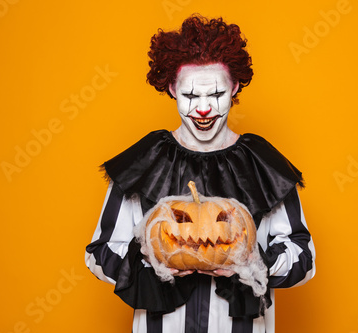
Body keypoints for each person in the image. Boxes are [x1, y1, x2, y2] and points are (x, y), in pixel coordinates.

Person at [85, 14, 316, 333]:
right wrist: (151, 259)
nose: (204, 108)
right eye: (191, 96)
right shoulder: (144, 161)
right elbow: (100, 251)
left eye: (217, 94)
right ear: (171, 88)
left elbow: (304, 258)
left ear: (234, 86)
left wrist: (250, 261)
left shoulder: (262, 164)